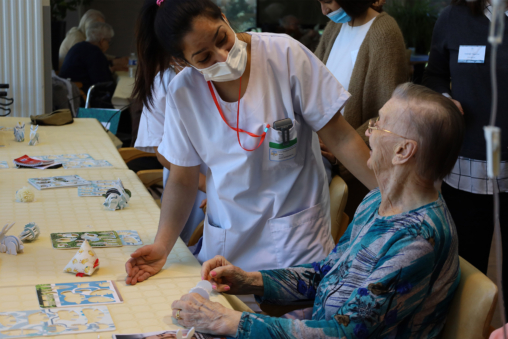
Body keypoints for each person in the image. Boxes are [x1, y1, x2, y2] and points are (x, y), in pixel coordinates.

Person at [125, 0, 377, 308]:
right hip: (228, 241)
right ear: (182, 61)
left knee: (288, 322)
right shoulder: (183, 92)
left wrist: (393, 195)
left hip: (294, 242)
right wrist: (163, 246)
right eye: (204, 57)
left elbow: (340, 137)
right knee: (220, 318)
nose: (223, 57)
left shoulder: (284, 55)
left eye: (222, 39)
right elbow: (182, 178)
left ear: (225, 17)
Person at [170, 83, 465, 339]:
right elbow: (325, 275)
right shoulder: (377, 201)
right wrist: (248, 280)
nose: (369, 133)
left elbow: (347, 333)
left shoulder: (417, 239)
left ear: (403, 151)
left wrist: (227, 321)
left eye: (378, 125)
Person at [423, 0, 508, 316]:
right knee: (465, 268)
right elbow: (433, 75)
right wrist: (445, 100)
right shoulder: (452, 18)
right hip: (467, 166)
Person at [315, 0, 409, 217]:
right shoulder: (334, 26)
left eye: (328, 1)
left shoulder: (384, 32)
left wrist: (340, 150)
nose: (324, 10)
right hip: (323, 146)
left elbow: (389, 115)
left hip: (353, 162)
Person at [134, 66, 208, 245]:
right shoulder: (165, 83)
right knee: (187, 249)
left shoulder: (223, 75)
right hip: (193, 186)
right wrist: (210, 187)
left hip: (232, 189)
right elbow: (163, 153)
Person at [59, 9, 128, 72]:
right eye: (96, 26)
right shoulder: (77, 38)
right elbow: (92, 58)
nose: (101, 31)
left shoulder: (83, 37)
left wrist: (117, 59)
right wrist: (115, 61)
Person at [59, 22, 115, 93]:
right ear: (102, 41)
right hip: (81, 96)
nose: (108, 45)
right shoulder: (95, 52)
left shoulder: (77, 47)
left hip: (68, 94)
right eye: (109, 41)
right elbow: (103, 83)